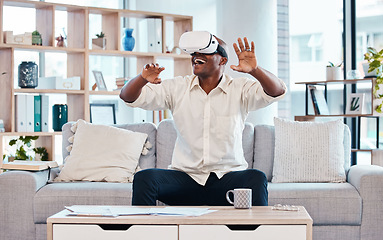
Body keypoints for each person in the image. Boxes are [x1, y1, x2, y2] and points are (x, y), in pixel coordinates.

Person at [120, 31, 286, 206]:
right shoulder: (177, 87)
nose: (196, 56)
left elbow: (277, 91)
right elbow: (128, 96)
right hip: (185, 181)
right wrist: (142, 79)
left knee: (256, 178)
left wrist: (255, 70)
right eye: (194, 53)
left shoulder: (239, 88)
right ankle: (143, 233)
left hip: (226, 181)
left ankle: (252, 234)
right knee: (145, 178)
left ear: (222, 60)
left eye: (205, 52)